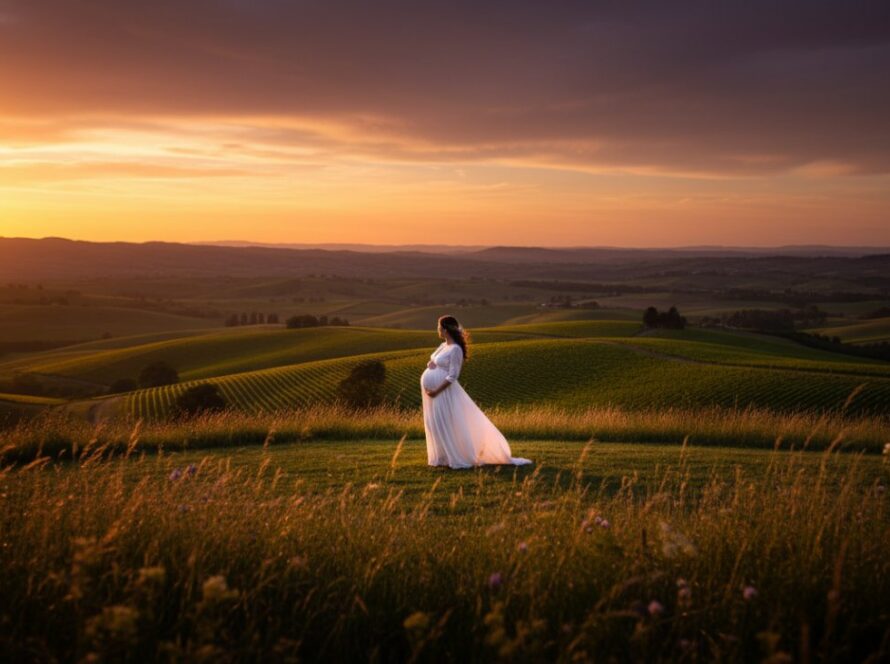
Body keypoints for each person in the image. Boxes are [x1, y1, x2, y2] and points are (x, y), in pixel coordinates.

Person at [420, 315, 532, 469]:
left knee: (444, 421)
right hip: (432, 393)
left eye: (439, 327)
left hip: (442, 393)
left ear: (445, 329)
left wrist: (436, 391)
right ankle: (442, 457)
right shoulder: (443, 346)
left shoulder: (456, 349)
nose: (437, 330)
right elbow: (434, 359)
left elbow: (453, 375)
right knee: (435, 423)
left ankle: (454, 456)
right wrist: (431, 363)